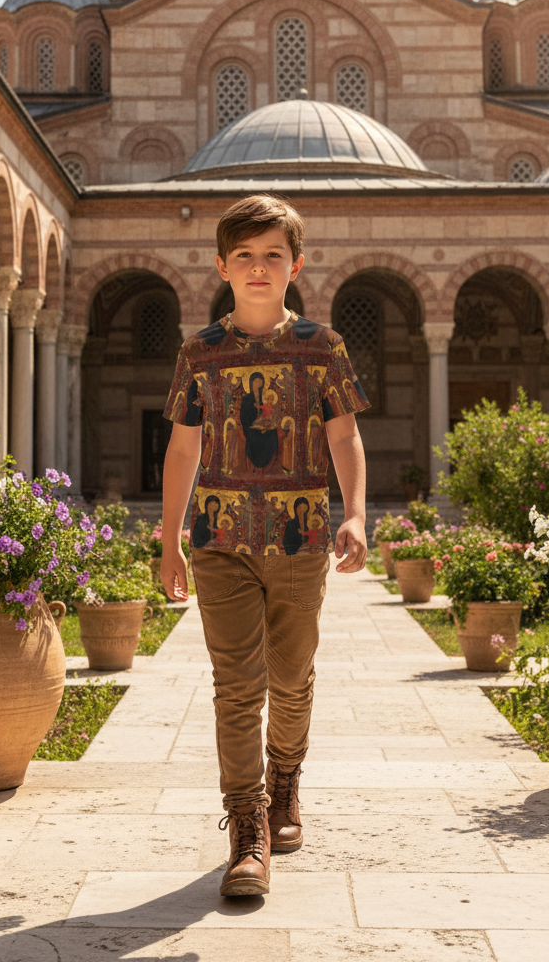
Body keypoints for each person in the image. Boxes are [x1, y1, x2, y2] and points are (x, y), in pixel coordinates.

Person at [161, 193, 368, 897]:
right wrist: (169, 540)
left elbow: (344, 435)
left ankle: (286, 779)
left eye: (271, 255)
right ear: (221, 265)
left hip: (300, 539)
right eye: (243, 256)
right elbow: (183, 449)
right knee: (236, 684)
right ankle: (246, 827)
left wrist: (356, 514)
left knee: (293, 674)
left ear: (295, 265)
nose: (257, 268)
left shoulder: (322, 348)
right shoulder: (200, 353)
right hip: (219, 541)